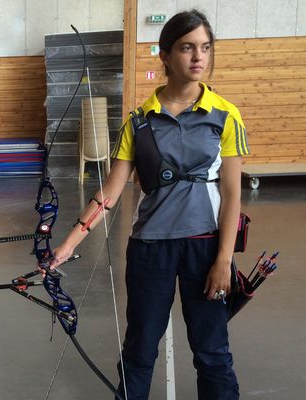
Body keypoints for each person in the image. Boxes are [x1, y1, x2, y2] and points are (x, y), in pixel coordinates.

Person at [48, 10, 248, 400]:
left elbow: (232, 195)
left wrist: (223, 259)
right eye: (187, 47)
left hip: (204, 248)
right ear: (165, 55)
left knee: (212, 353)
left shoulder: (226, 116)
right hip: (150, 249)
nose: (198, 57)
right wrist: (70, 243)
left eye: (205, 48)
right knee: (139, 350)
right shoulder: (138, 121)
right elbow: (109, 192)